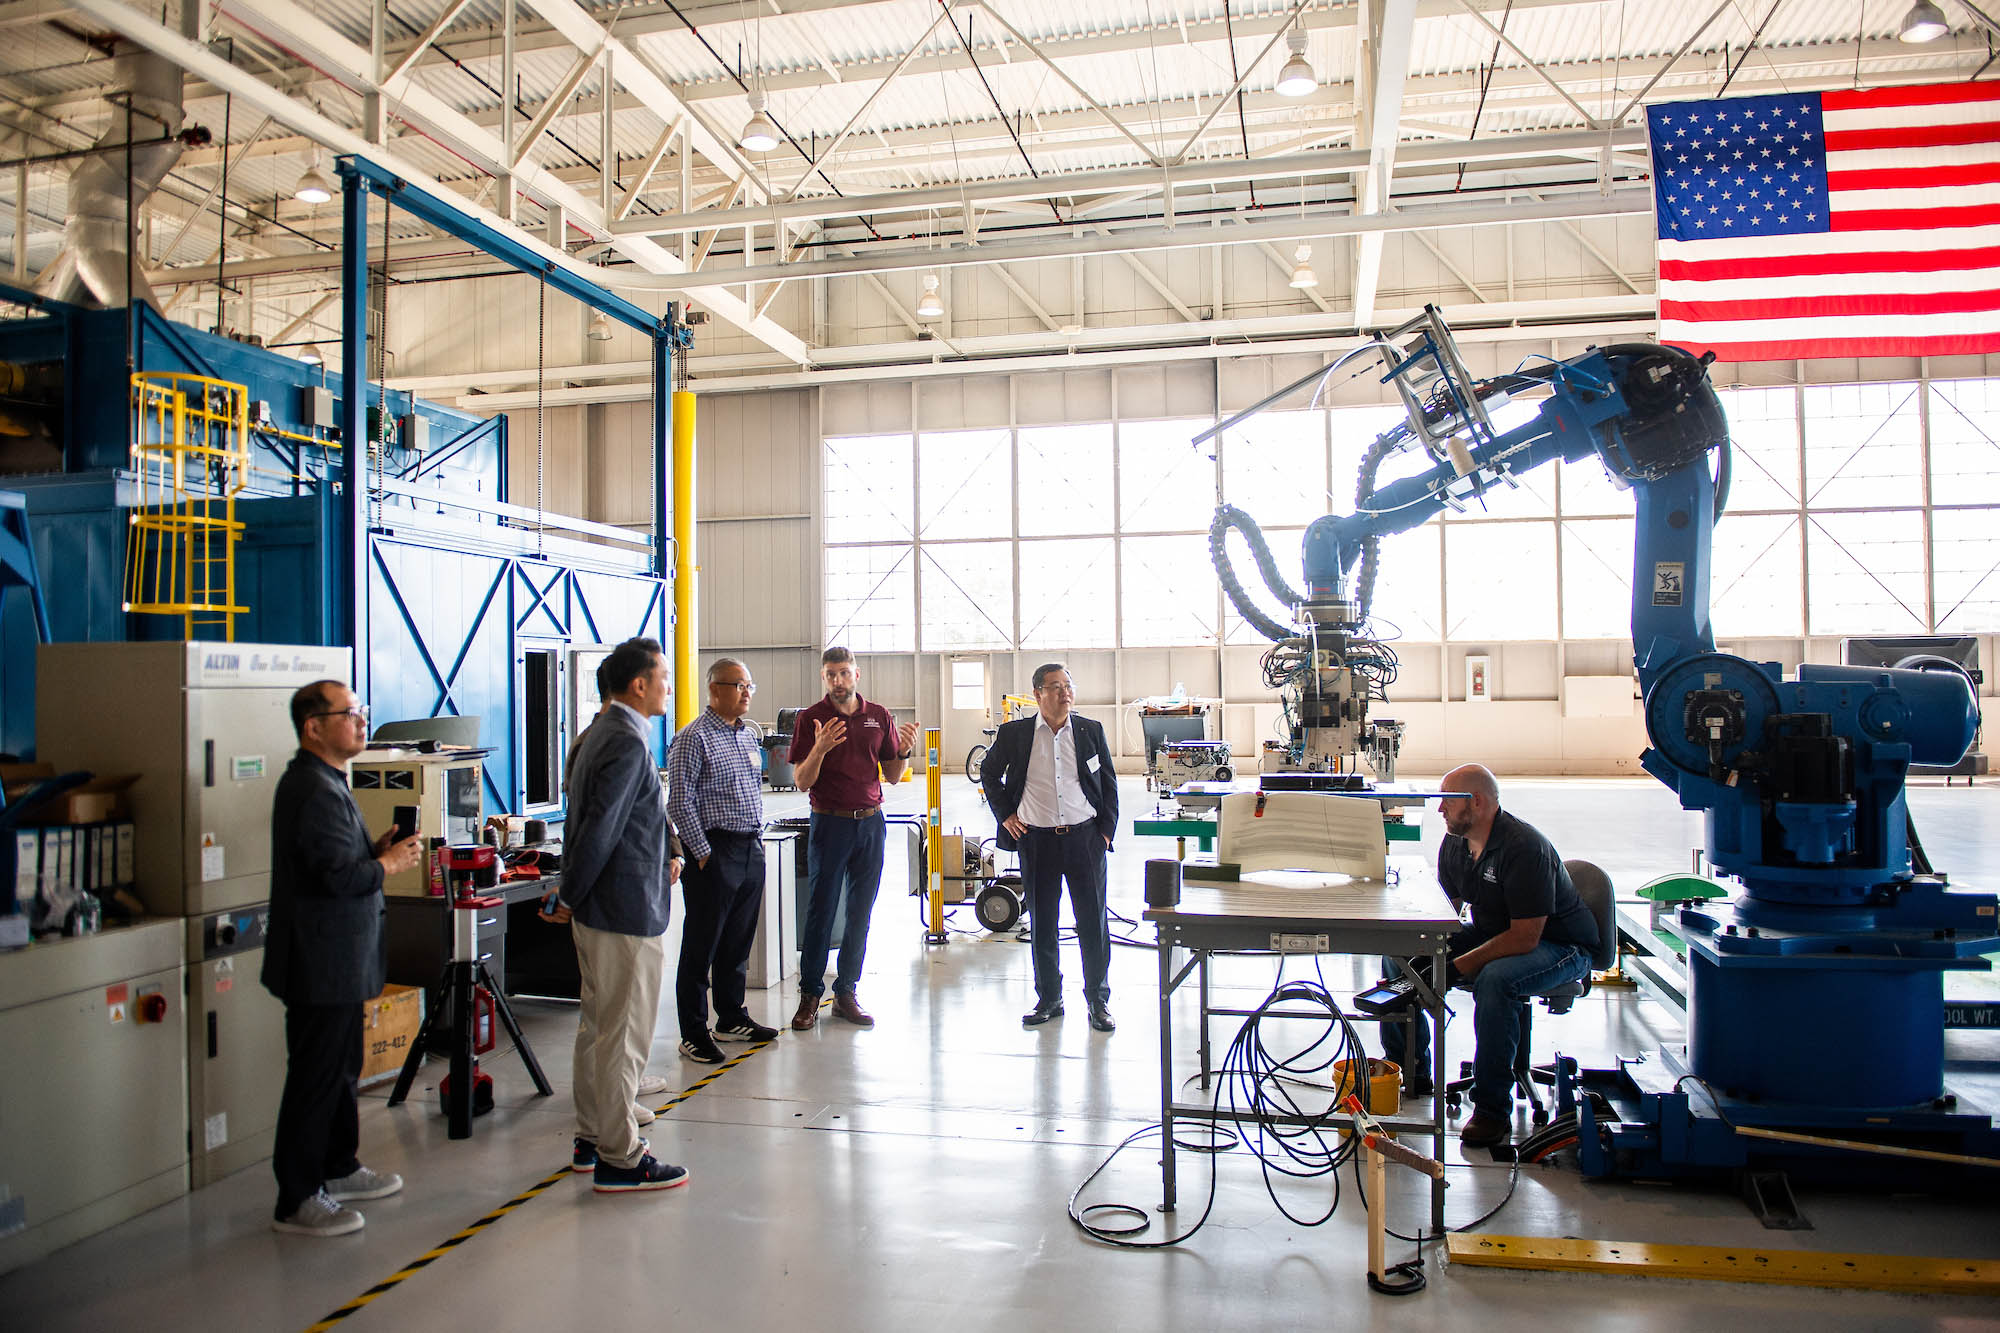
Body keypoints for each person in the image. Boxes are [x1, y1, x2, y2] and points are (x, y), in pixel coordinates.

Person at [263, 679, 422, 1237]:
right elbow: (334, 879)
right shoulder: (309, 788)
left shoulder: (329, 782)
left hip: (341, 960)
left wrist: (373, 852)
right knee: (315, 1076)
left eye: (362, 711)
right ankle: (298, 1197)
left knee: (340, 1073)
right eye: (350, 713)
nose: (361, 721)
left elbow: (331, 862)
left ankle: (338, 1165)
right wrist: (390, 866)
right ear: (313, 726)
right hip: (319, 962)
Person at [1380, 763, 1599, 1148]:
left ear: (1476, 802)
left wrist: (1456, 967)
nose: (1440, 810)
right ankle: (1408, 1070)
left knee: (1497, 979)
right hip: (1495, 934)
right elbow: (1445, 912)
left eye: (1448, 801)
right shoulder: (1456, 843)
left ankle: (1491, 1111)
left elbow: (1525, 937)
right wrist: (1419, 942)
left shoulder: (1524, 847)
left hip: (1559, 947)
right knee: (1399, 952)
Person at [560, 637, 688, 1193]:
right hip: (622, 908)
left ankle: (594, 1135)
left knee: (598, 1026)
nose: (667, 686)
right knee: (623, 1034)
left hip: (604, 907)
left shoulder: (604, 733)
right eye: (662, 676)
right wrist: (569, 895)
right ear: (639, 684)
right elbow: (601, 832)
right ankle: (620, 1157)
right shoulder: (627, 742)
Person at [978, 663, 1120, 1032]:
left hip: (1085, 840)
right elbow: (988, 772)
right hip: (1036, 841)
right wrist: (1006, 814)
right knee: (1043, 924)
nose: (1065, 693)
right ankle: (1049, 998)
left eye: (1068, 685)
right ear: (1038, 693)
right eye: (1056, 687)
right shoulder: (1015, 734)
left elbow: (1108, 782)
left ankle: (1098, 1000)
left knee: (1093, 922)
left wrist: (1105, 833)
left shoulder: (1090, 731)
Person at [786, 647, 918, 1031]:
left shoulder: (878, 716)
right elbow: (801, 781)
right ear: (823, 677)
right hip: (830, 825)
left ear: (857, 674)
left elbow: (893, 774)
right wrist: (821, 749)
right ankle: (810, 995)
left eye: (844, 673)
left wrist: (905, 750)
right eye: (830, 674)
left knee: (861, 911)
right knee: (821, 912)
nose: (838, 681)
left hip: (871, 825)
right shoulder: (812, 719)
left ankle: (846, 993)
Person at [667, 658, 774, 1065]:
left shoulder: (748, 736)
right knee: (701, 946)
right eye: (738, 685)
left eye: (750, 686)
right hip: (714, 851)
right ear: (714, 689)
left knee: (737, 942)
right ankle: (693, 1032)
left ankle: (730, 1017)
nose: (746, 692)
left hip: (749, 848)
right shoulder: (692, 739)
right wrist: (703, 853)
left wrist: (755, 844)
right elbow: (680, 801)